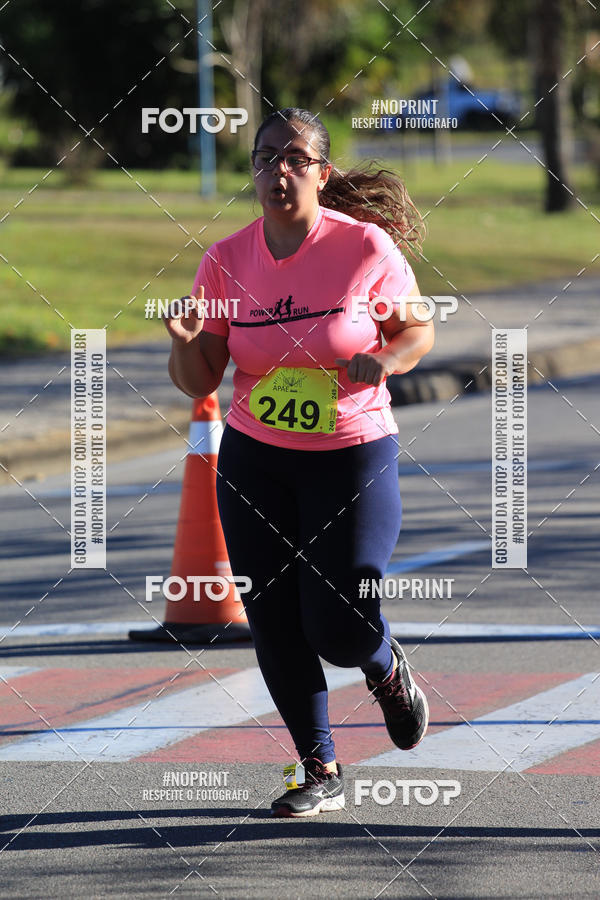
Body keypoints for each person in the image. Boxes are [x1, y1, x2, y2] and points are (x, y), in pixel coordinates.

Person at [165, 107, 434, 818]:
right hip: (256, 459)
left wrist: (386, 360)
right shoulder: (225, 258)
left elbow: (416, 326)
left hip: (351, 454)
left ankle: (385, 669)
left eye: (293, 158)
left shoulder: (364, 247)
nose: (277, 171)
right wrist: (184, 342)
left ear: (322, 171)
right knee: (274, 618)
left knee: (340, 626)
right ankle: (318, 768)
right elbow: (201, 379)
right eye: (264, 159)